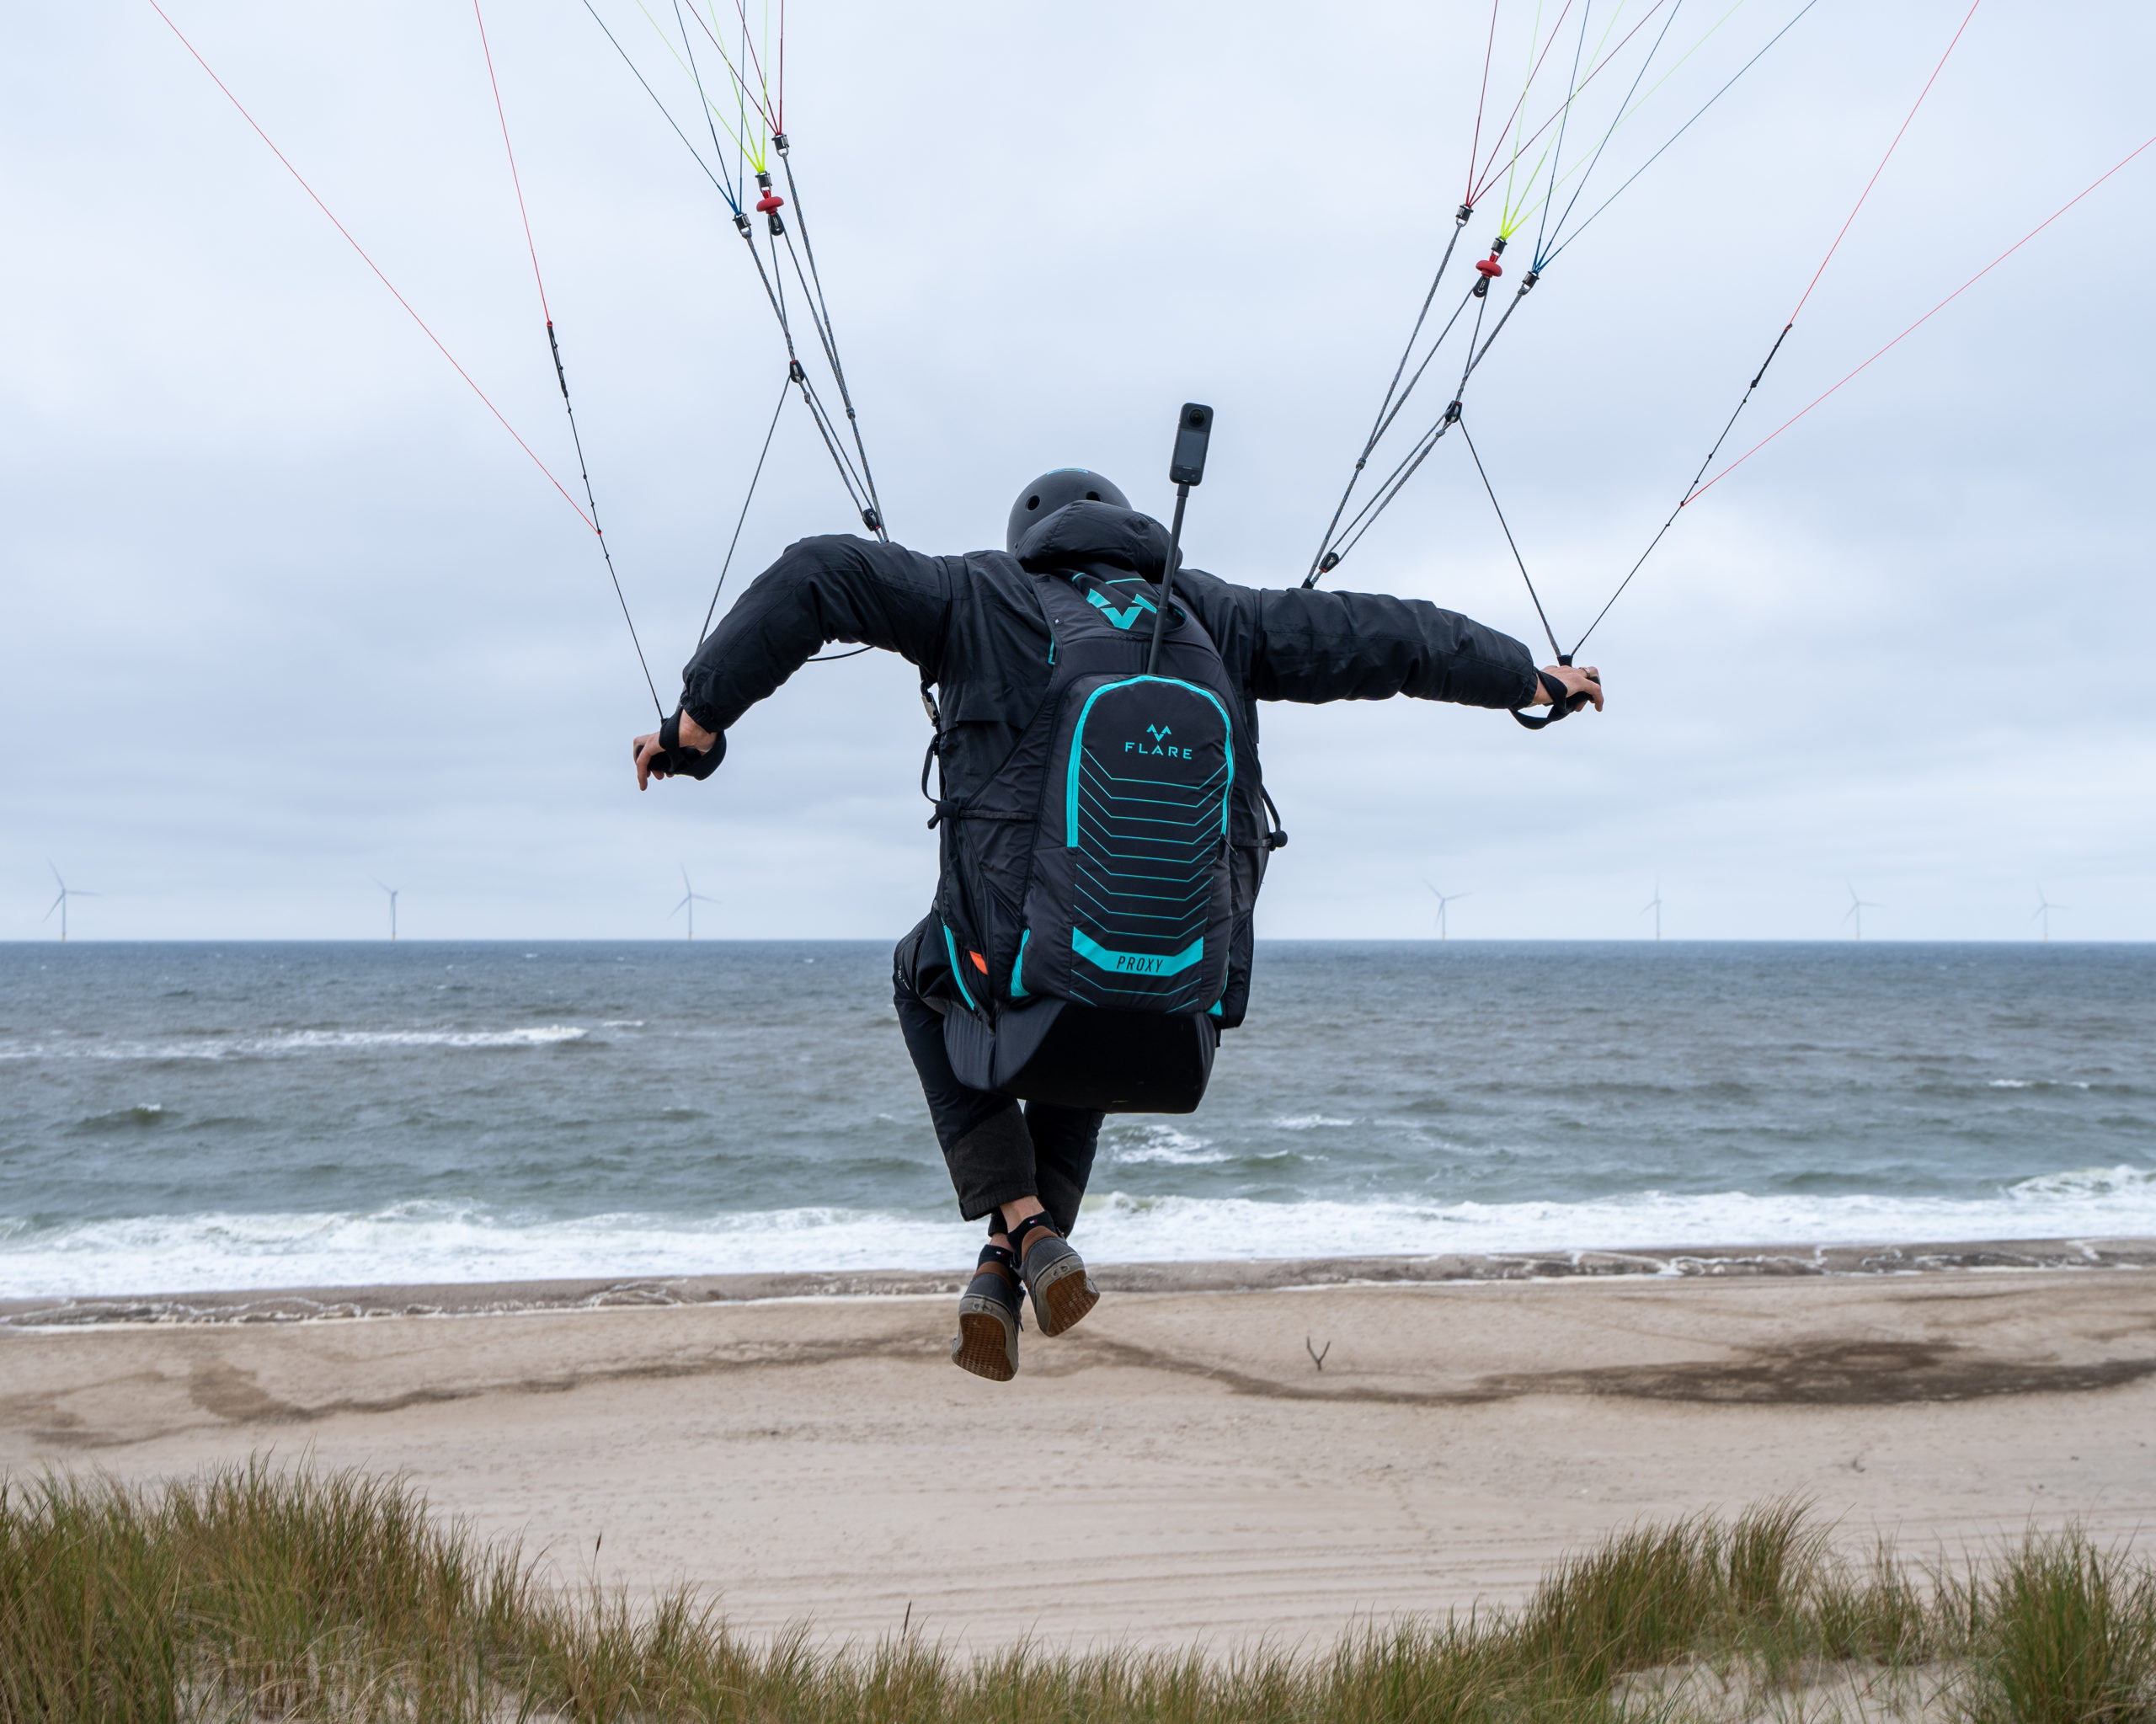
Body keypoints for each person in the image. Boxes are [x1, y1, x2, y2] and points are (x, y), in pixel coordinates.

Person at [632, 467, 1601, 1382]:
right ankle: (1013, 1263)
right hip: (1180, 1011)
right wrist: (1528, 678)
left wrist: (699, 719)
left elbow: (818, 572)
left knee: (925, 969)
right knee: (1100, 988)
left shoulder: (981, 596)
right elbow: (1392, 637)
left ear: (1030, 543)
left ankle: (1016, 1216)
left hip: (1024, 972)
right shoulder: (1217, 614)